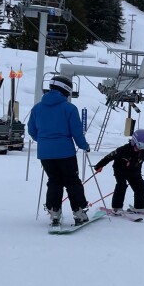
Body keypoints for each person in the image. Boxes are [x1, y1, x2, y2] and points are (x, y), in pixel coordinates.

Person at [27, 73, 92, 226]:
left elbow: (32, 130)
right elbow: (76, 132)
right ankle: (79, 212)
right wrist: (84, 146)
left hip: (45, 154)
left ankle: (54, 212)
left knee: (54, 181)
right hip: (65, 153)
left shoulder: (37, 108)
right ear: (66, 90)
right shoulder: (69, 108)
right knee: (72, 182)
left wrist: (44, 141)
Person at [95, 129, 144, 213]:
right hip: (120, 170)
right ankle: (117, 208)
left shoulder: (143, 152)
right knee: (121, 185)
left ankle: (140, 206)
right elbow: (109, 156)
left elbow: (139, 164)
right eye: (140, 145)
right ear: (134, 141)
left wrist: (138, 176)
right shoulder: (123, 150)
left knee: (140, 186)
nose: (142, 148)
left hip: (133, 171)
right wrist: (100, 165)